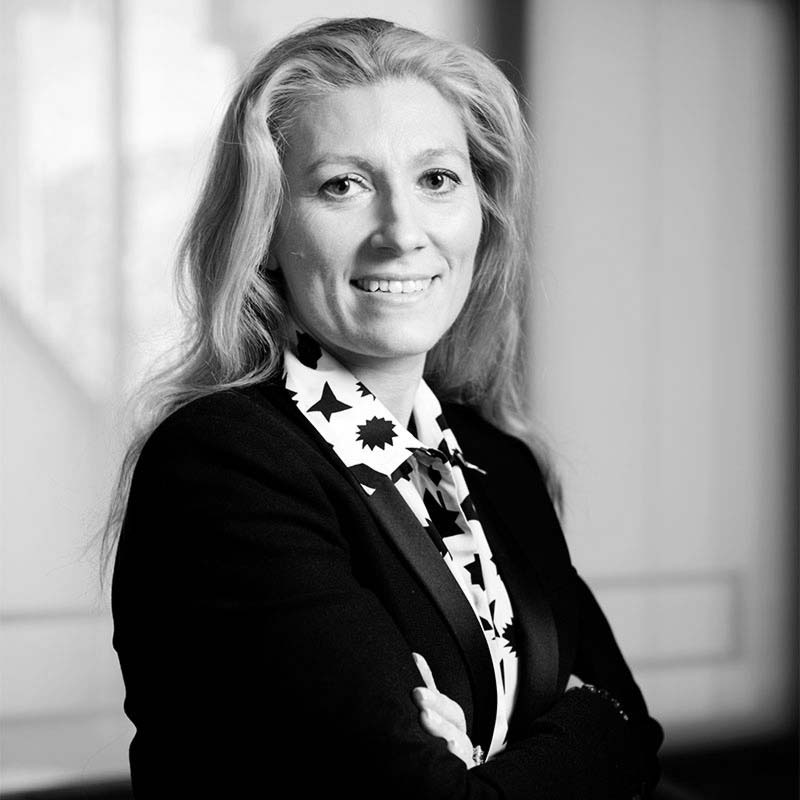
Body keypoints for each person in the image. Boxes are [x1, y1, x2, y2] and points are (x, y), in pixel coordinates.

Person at [107, 16, 663, 799]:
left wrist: (513, 756)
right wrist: (583, 726)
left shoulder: (491, 456)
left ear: (481, 209)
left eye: (437, 180)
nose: (402, 232)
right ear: (266, 230)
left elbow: (639, 732)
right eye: (343, 185)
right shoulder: (223, 466)